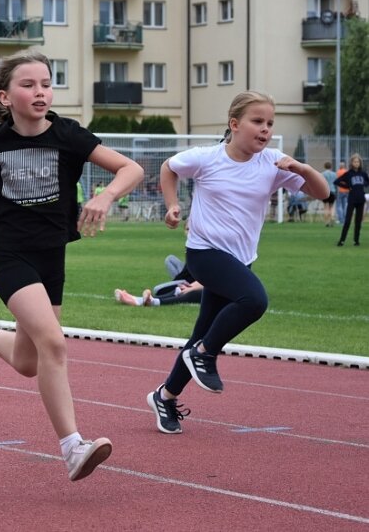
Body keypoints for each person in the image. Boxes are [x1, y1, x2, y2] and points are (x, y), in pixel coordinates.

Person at [0, 50, 144, 481]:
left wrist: (105, 196)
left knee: (29, 361)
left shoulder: (69, 135)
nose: (40, 92)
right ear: (5, 95)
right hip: (10, 257)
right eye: (28, 85)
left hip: (52, 258)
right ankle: (73, 446)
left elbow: (131, 169)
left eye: (46, 84)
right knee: (54, 344)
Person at [146, 91, 329, 436]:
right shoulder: (207, 158)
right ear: (234, 125)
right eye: (257, 122)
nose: (265, 130)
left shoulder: (274, 163)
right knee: (254, 301)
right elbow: (169, 168)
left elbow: (321, 193)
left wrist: (302, 167)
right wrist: (172, 206)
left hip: (240, 261)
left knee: (202, 334)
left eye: (270, 124)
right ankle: (205, 354)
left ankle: (165, 395)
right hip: (204, 253)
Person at [334, 153, 369, 247]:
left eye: (358, 162)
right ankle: (342, 240)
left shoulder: (363, 173)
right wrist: (348, 186)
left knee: (358, 221)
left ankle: (356, 241)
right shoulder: (349, 174)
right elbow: (336, 181)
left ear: (360, 163)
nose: (356, 163)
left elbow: (367, 182)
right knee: (347, 220)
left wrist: (364, 184)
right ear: (351, 163)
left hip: (361, 199)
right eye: (354, 162)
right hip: (352, 199)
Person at [320, 161, 337, 227]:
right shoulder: (334, 174)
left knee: (326, 207)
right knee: (331, 207)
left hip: (325, 191)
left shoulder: (322, 174)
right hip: (332, 191)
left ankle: (326, 222)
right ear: (331, 167)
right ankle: (332, 218)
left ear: (325, 166)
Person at [335, 160, 348, 225]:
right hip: (346, 190)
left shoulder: (338, 172)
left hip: (340, 190)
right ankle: (345, 219)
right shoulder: (346, 172)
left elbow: (337, 181)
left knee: (339, 206)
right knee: (345, 205)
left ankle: (341, 219)